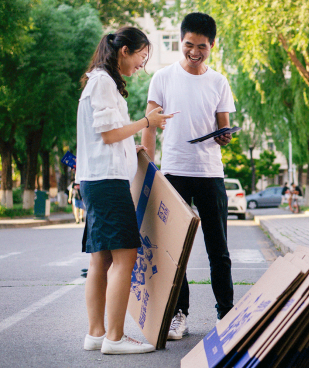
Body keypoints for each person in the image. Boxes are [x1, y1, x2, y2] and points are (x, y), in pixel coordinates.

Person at [76, 27, 171, 355]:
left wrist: (135, 148)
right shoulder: (102, 81)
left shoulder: (100, 81)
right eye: (140, 58)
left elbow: (110, 138)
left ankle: (97, 333)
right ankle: (114, 338)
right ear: (125, 50)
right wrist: (146, 122)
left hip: (98, 179)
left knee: (101, 257)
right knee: (124, 256)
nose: (140, 66)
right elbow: (108, 134)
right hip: (106, 183)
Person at [143, 12, 236, 341]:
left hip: (209, 172)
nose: (194, 52)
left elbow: (222, 125)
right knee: (173, 250)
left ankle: (226, 314)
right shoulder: (163, 78)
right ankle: (178, 315)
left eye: (201, 46)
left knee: (218, 249)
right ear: (180, 42)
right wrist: (148, 168)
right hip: (173, 173)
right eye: (188, 45)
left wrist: (224, 135)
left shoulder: (219, 81)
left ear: (212, 45)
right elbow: (149, 125)